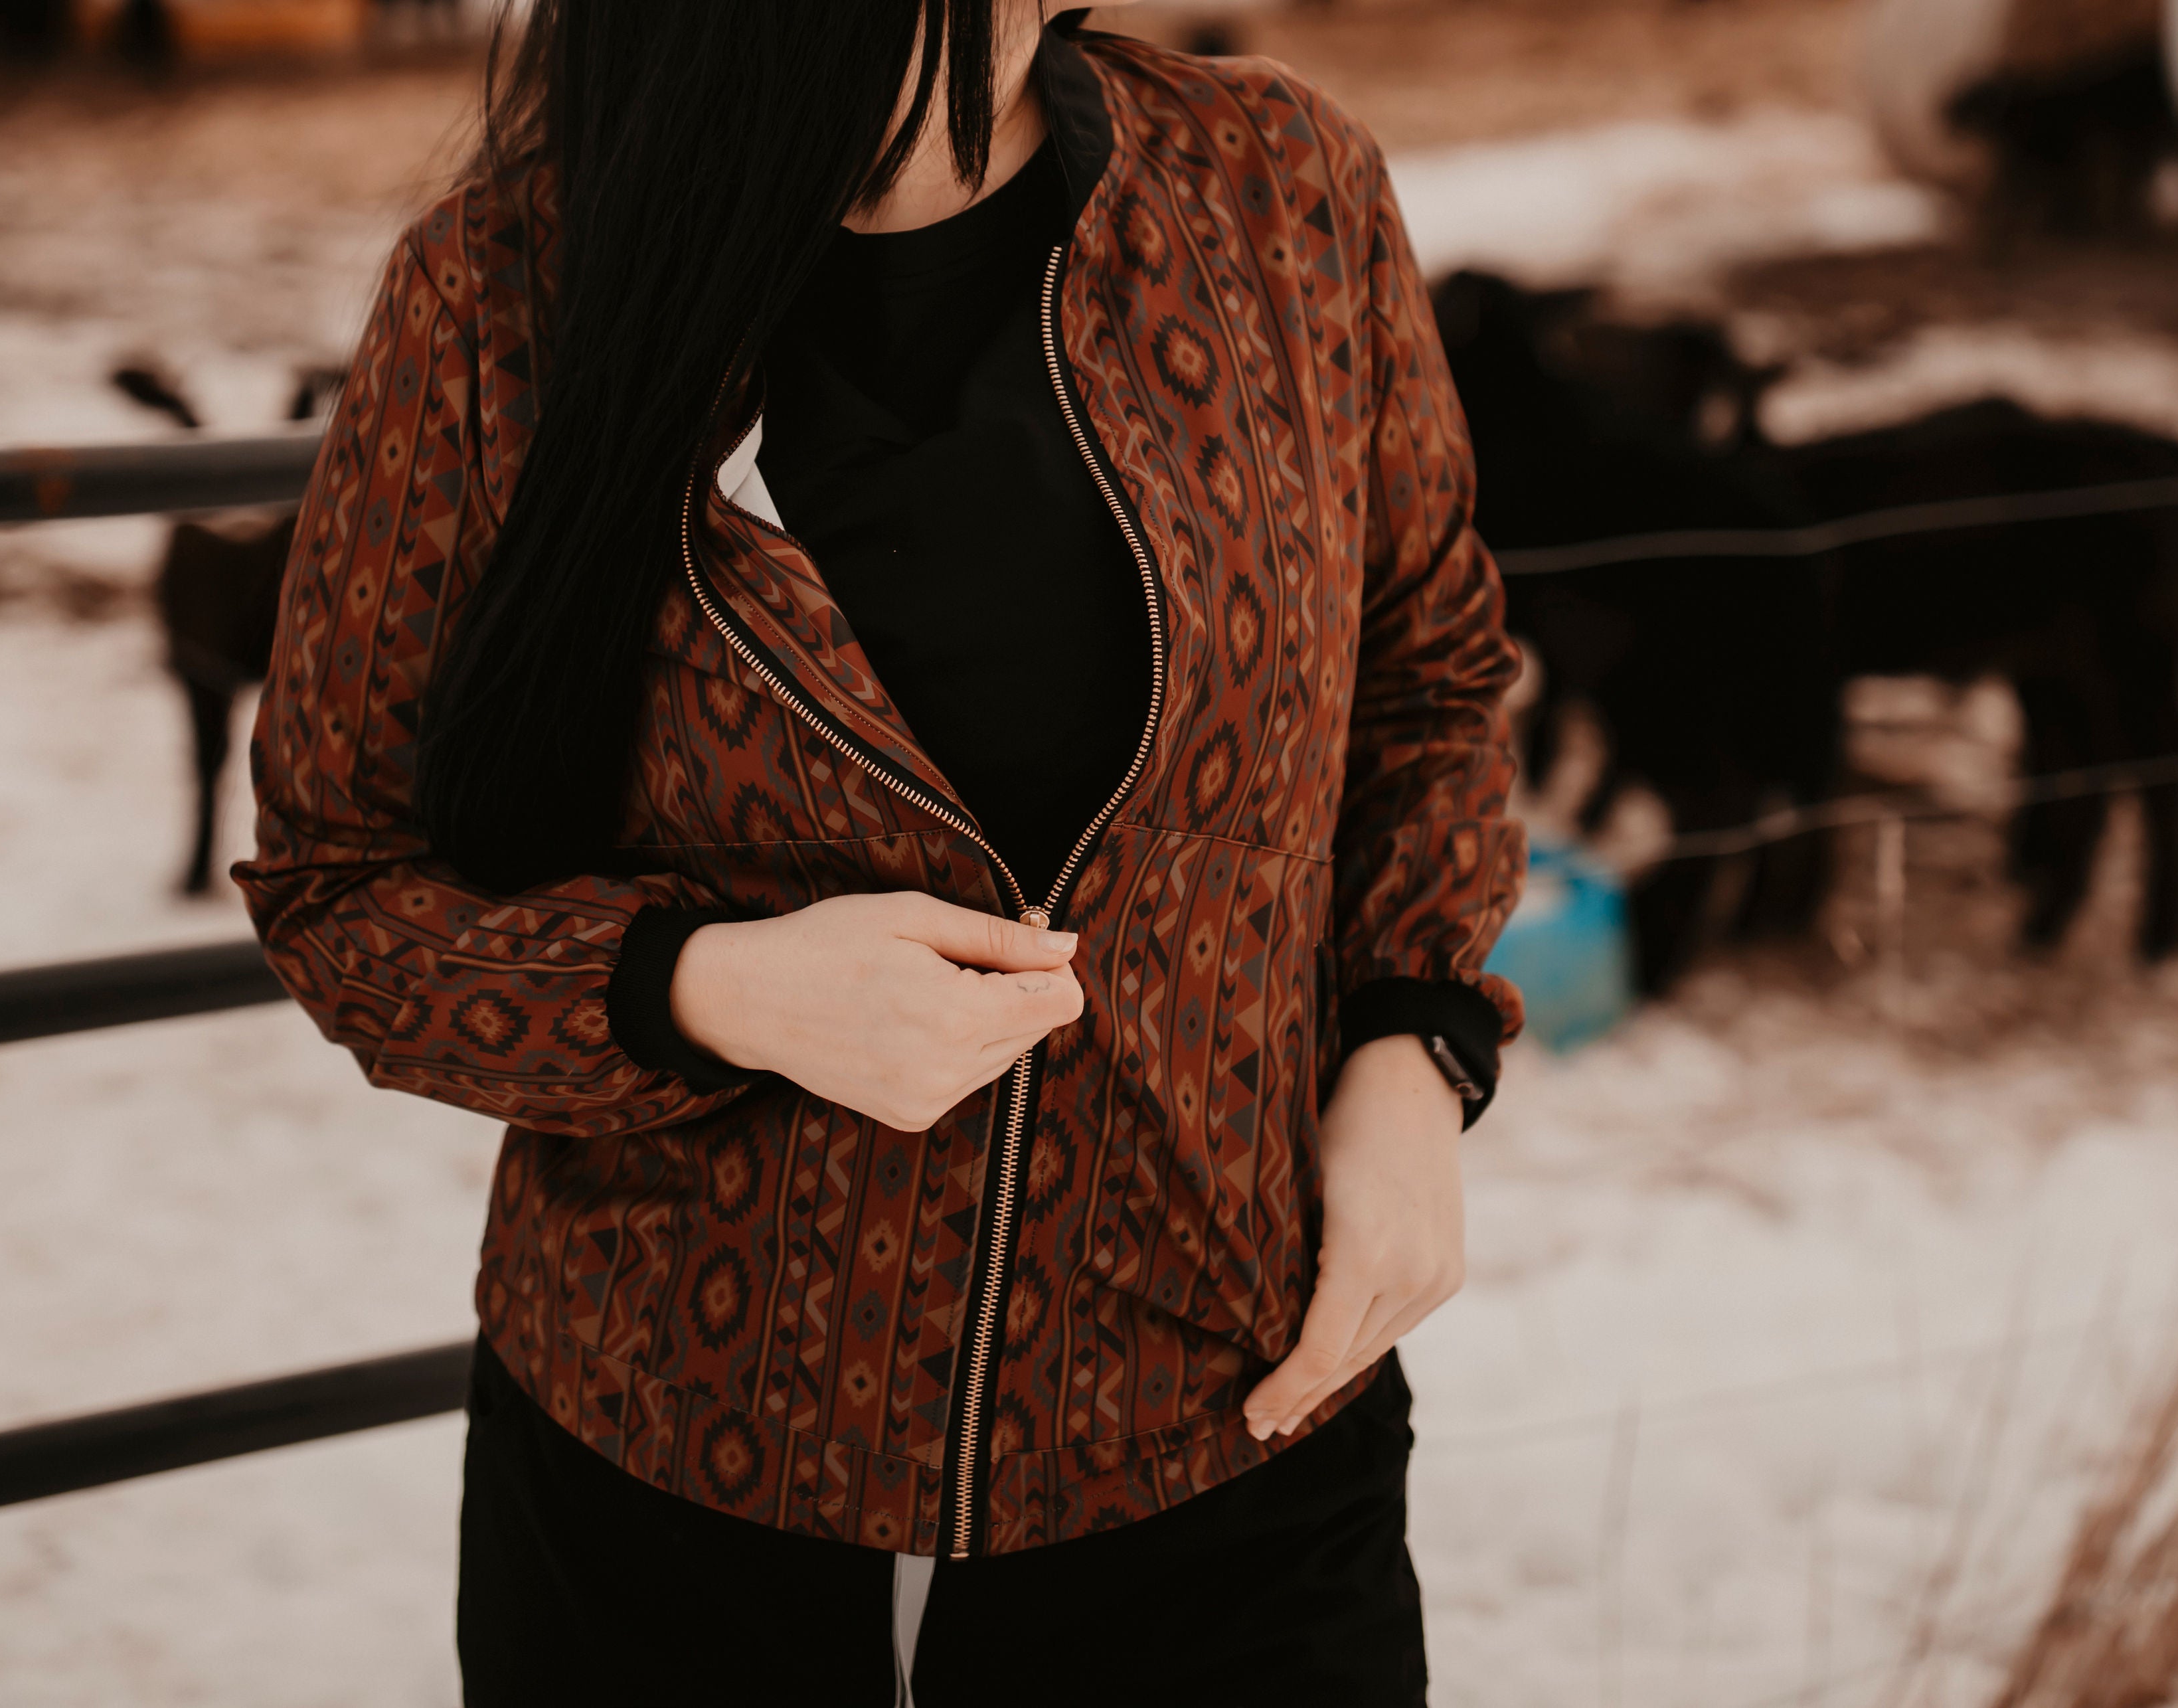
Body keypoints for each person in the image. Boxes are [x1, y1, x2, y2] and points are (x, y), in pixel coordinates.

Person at [236, 2, 1525, 1701]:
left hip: (1229, 1441)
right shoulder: (503, 291)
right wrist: (705, 989)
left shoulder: (1280, 183)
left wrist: (1418, 1051)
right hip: (676, 1484)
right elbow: (341, 882)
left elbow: (1429, 678)